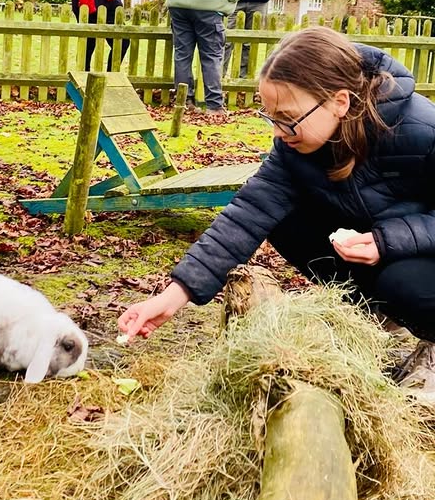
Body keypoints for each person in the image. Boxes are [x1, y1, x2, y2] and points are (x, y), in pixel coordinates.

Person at [118, 26, 435, 385]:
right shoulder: (295, 147)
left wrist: (388, 241)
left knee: (402, 283)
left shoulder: (422, 130)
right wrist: (173, 296)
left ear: (339, 102)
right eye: (271, 117)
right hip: (382, 247)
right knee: (284, 221)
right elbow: (246, 216)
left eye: (287, 117)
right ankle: (375, 315)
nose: (278, 133)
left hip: (420, 257)